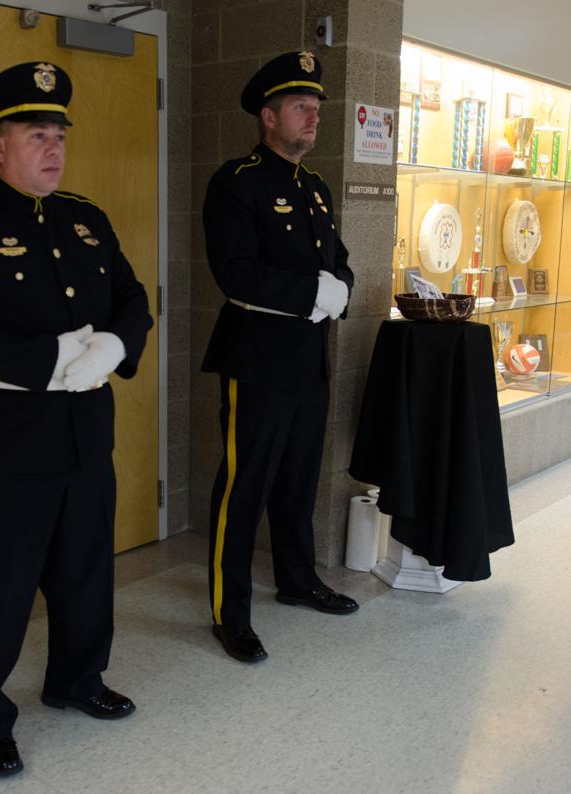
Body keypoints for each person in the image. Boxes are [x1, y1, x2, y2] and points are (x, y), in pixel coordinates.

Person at [0, 61, 152, 778]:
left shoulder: (87, 218)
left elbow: (133, 300)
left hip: (84, 435)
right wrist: (48, 360)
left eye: (58, 135)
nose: (52, 148)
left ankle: (77, 680)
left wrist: (115, 343)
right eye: (35, 134)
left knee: (84, 571)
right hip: (0, 442)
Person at [200, 51, 359, 664]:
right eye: (301, 106)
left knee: (297, 481)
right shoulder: (236, 182)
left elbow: (337, 258)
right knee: (245, 487)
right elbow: (235, 273)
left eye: (316, 107)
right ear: (268, 117)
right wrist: (313, 292)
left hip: (308, 357)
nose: (313, 116)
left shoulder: (314, 188)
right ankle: (228, 610)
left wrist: (339, 285)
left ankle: (296, 580)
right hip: (259, 359)